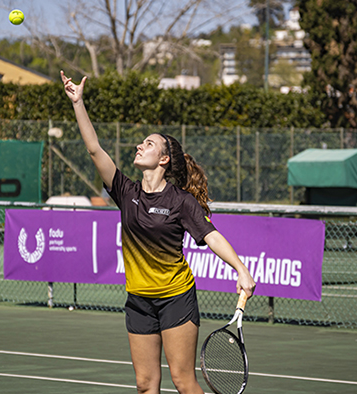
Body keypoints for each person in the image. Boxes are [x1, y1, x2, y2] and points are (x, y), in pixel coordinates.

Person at [61, 70, 256, 394]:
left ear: (163, 159)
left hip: (176, 299)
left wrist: (241, 269)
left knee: (183, 381)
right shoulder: (126, 191)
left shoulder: (181, 201)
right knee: (145, 385)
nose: (140, 145)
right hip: (138, 301)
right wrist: (78, 103)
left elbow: (211, 236)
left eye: (148, 143)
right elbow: (95, 149)